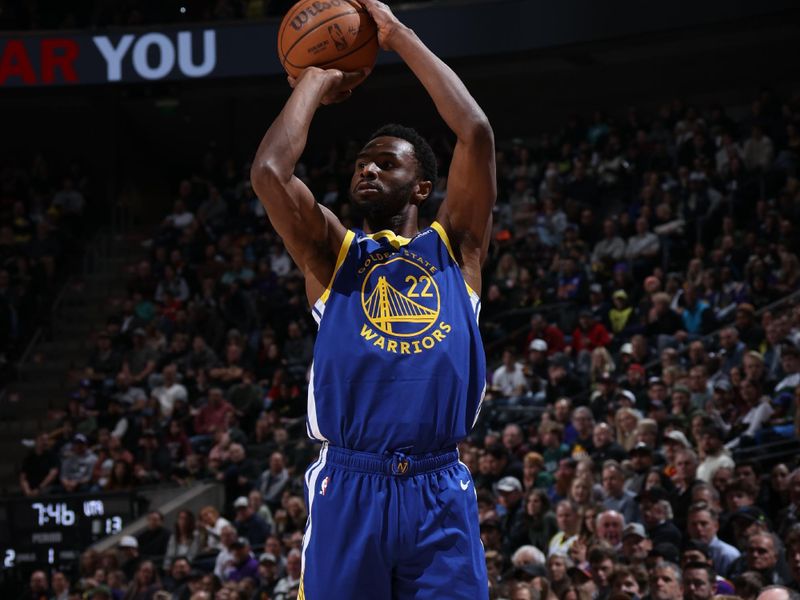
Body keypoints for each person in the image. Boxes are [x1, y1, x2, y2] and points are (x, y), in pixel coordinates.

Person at [249, 0, 495, 596]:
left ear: (423, 186)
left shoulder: (455, 247)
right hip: (350, 484)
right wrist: (316, 78)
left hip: (438, 484)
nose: (368, 171)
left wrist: (395, 35)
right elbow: (270, 173)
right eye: (362, 163)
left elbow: (476, 132)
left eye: (387, 163)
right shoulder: (336, 256)